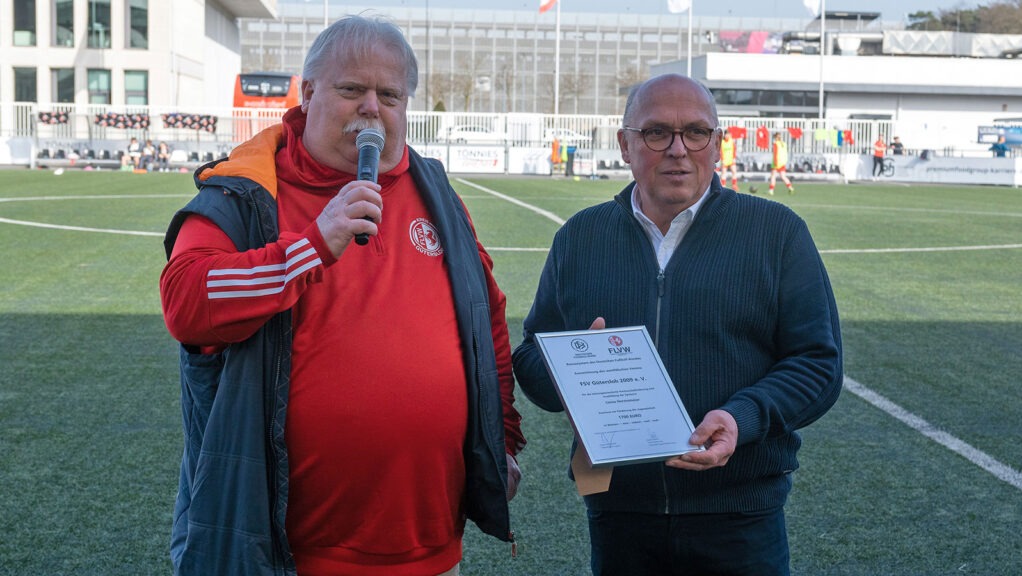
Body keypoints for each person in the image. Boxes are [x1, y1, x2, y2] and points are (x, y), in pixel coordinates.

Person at [160, 15, 525, 576]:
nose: (371, 108)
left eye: (389, 95)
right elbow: (187, 302)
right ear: (308, 94)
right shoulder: (246, 192)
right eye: (351, 89)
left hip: (430, 548)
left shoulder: (437, 193)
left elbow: (486, 323)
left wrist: (500, 438)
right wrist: (309, 248)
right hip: (286, 553)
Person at [512, 74, 843, 576]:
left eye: (695, 132)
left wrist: (742, 417)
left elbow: (817, 363)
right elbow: (532, 353)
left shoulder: (776, 233)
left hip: (740, 512)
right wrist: (575, 370)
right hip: (619, 512)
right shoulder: (580, 237)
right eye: (656, 133)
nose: (678, 150)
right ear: (625, 144)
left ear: (717, 142)